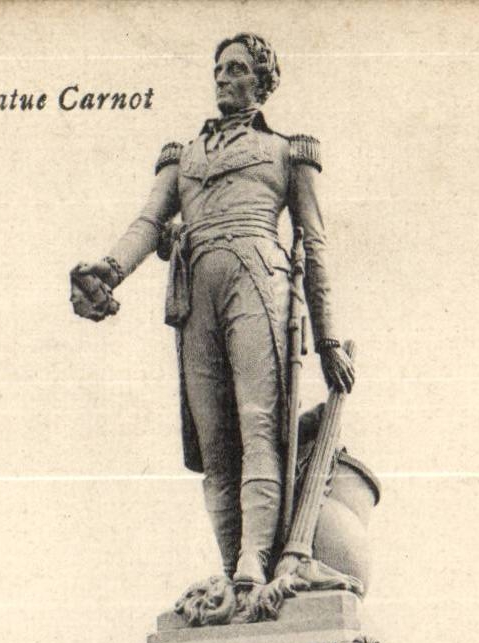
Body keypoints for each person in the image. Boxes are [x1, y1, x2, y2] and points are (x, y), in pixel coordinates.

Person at [71, 32, 355, 587]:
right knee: (214, 439)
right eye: (219, 70)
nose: (223, 78)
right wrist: (109, 269)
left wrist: (327, 341)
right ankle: (232, 570)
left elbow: (315, 245)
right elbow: (149, 222)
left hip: (259, 283)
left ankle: (255, 558)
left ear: (262, 82)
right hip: (193, 293)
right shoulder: (183, 156)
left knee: (258, 425)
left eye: (237, 69)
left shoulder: (287, 151)